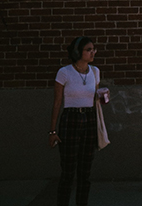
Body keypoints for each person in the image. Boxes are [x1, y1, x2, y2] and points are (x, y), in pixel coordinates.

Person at [50, 36, 103, 206]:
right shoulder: (64, 72)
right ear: (77, 52)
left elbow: (94, 97)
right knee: (68, 171)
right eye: (88, 49)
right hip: (70, 119)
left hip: (89, 119)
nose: (93, 52)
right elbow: (57, 102)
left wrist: (102, 97)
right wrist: (52, 131)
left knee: (85, 171)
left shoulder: (95, 71)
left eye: (93, 49)